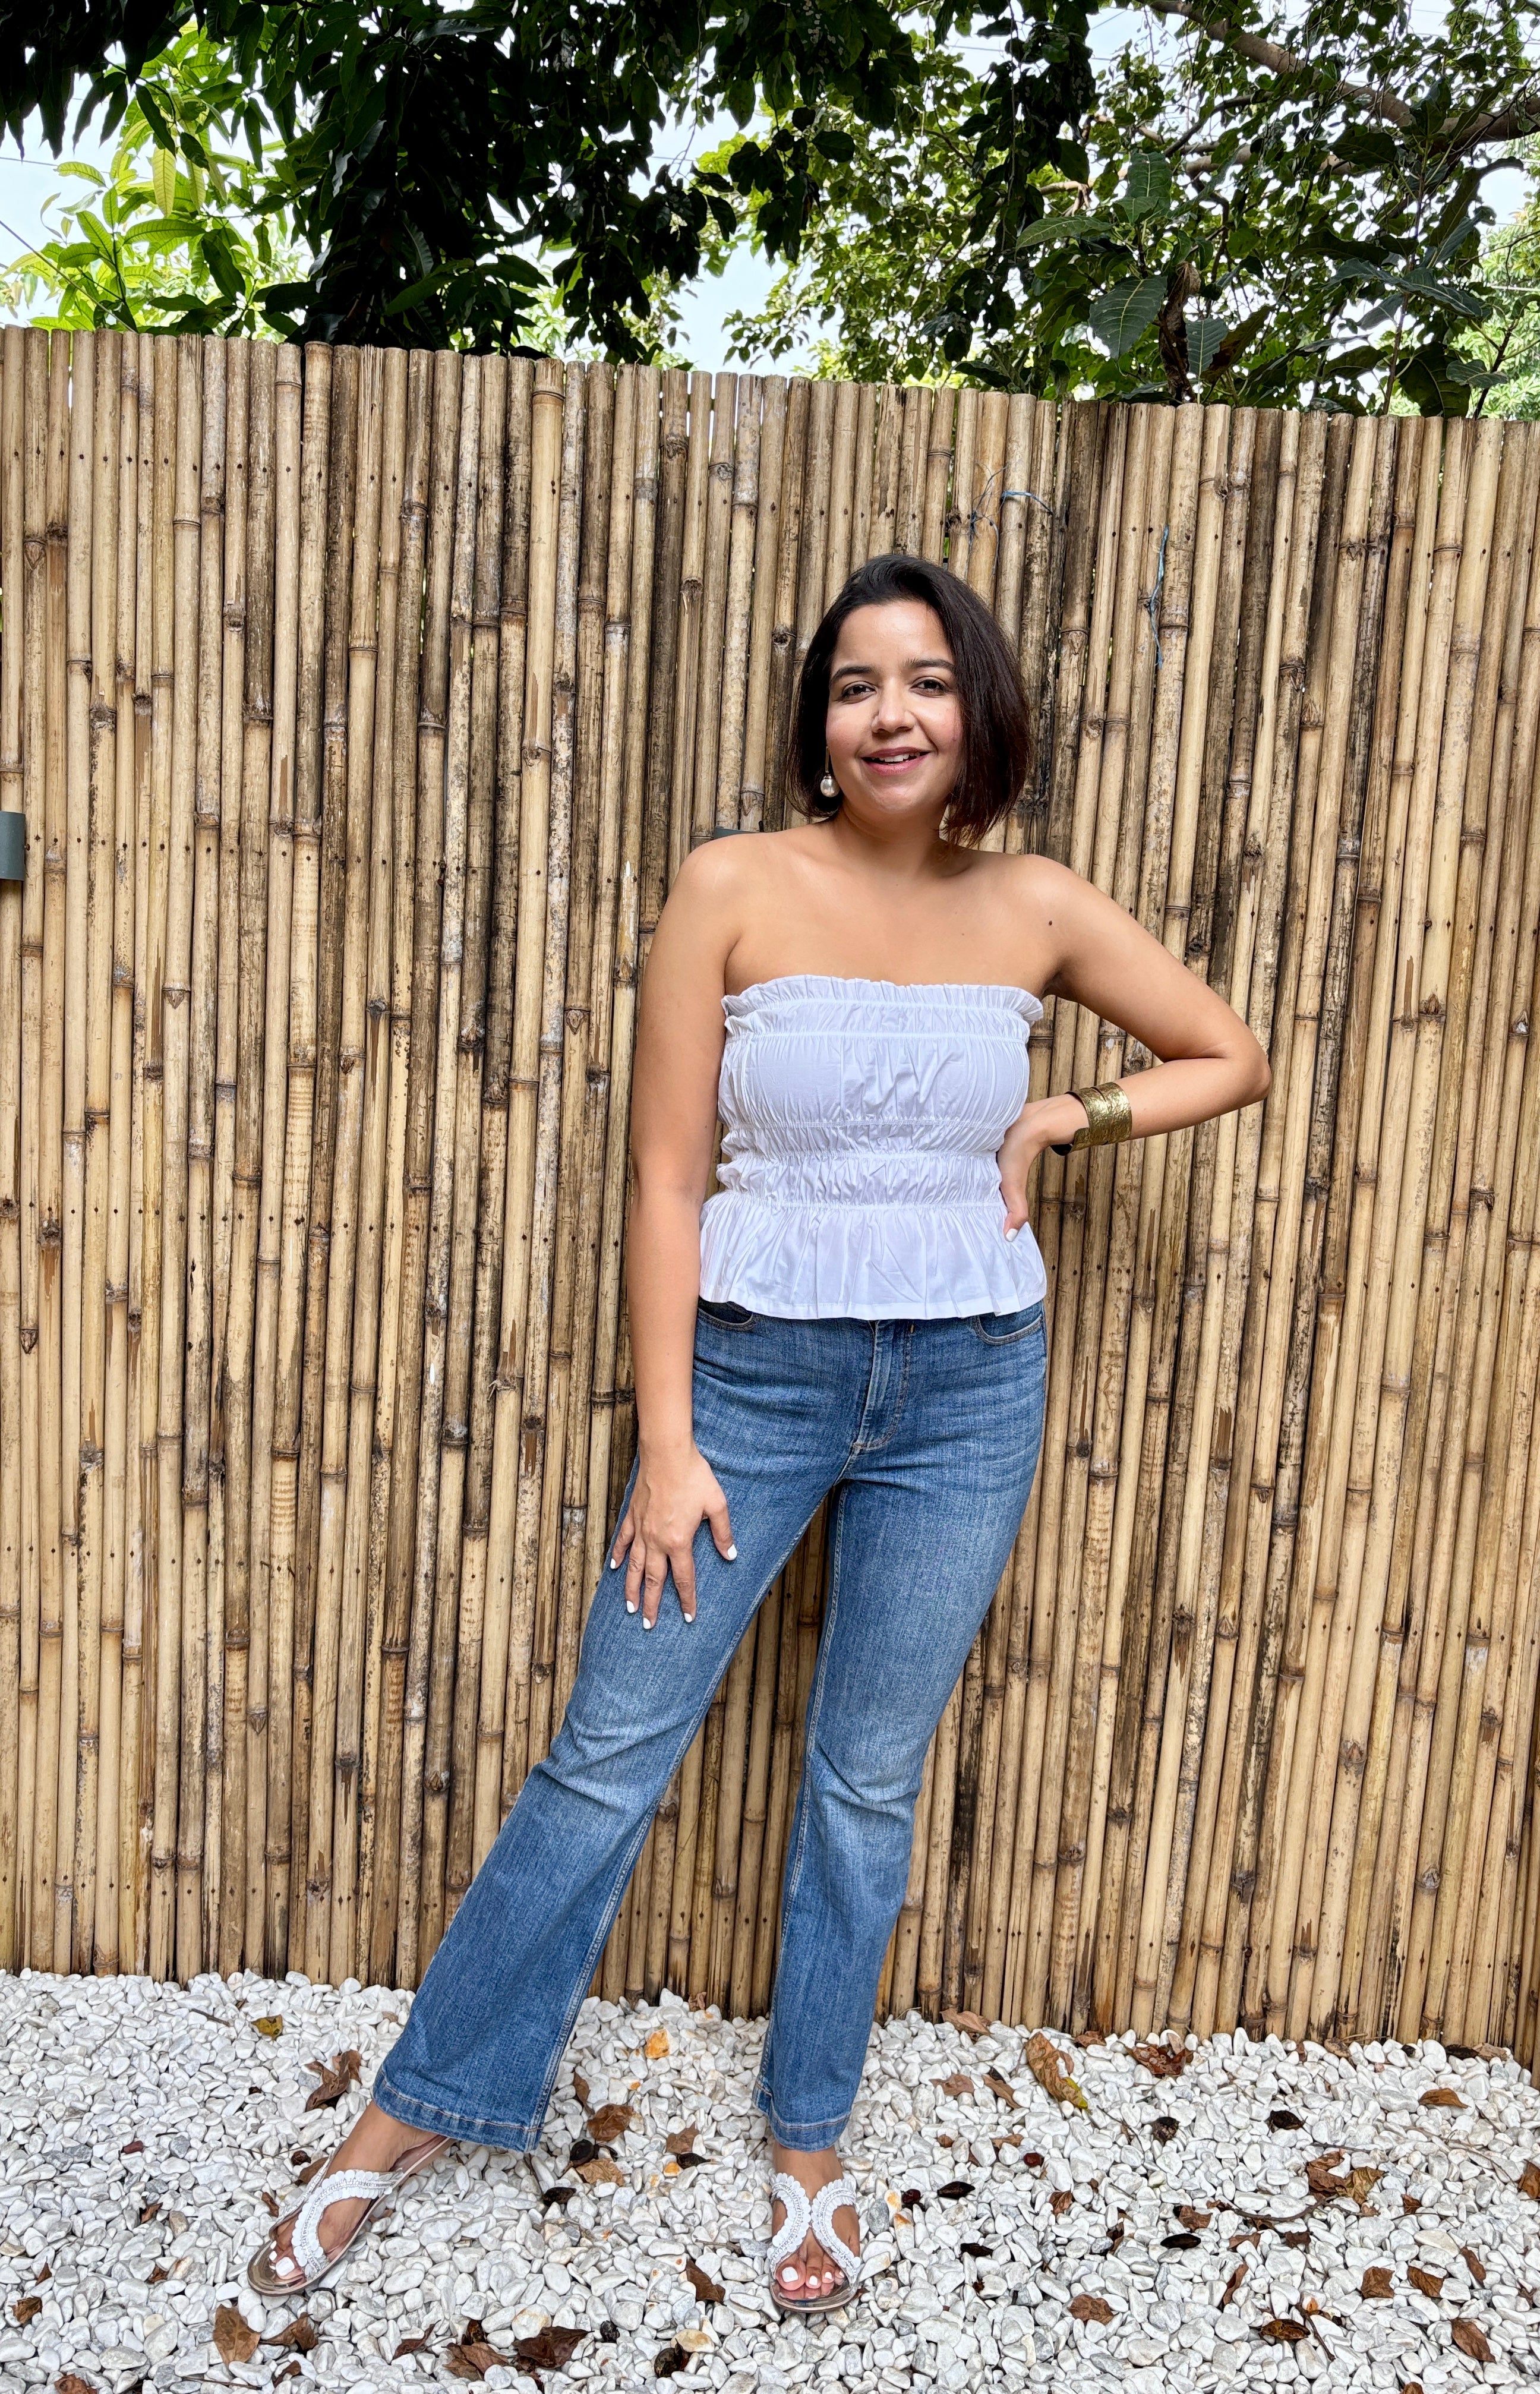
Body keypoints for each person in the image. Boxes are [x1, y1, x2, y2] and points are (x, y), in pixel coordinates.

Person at [246, 550, 1270, 2315]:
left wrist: (1060, 1119)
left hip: (968, 1390)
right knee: (606, 1752)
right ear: (820, 721)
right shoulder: (730, 885)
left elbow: (1227, 1054)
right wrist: (670, 1436)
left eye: (930, 682)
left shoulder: (1034, 903)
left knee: (867, 1779)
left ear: (977, 712)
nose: (894, 713)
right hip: (752, 1381)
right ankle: (408, 2117)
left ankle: (810, 2147)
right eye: (860, 683)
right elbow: (663, 1180)